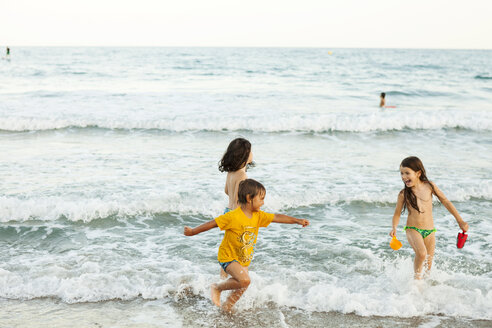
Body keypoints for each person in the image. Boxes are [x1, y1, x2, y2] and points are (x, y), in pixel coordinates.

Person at [184, 179, 310, 312]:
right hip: (228, 257)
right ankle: (217, 287)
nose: (263, 202)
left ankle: (226, 308)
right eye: (261, 199)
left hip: (243, 259)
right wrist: (192, 231)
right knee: (245, 280)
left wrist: (297, 220)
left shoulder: (258, 216)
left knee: (242, 285)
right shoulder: (233, 216)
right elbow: (212, 223)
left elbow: (277, 217)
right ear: (249, 198)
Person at [389, 156, 469, 279]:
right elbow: (397, 213)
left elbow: (446, 201)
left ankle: (426, 290)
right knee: (421, 254)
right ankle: (416, 281)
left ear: (418, 173)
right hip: (412, 229)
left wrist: (460, 220)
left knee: (428, 265)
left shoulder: (430, 186)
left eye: (407, 173)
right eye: (401, 173)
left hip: (430, 231)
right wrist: (394, 227)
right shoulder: (403, 194)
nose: (403, 177)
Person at [219, 138, 253, 213]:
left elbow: (226, 191)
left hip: (228, 210)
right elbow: (237, 201)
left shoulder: (230, 172)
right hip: (235, 212)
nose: (252, 153)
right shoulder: (242, 175)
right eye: (250, 151)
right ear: (245, 154)